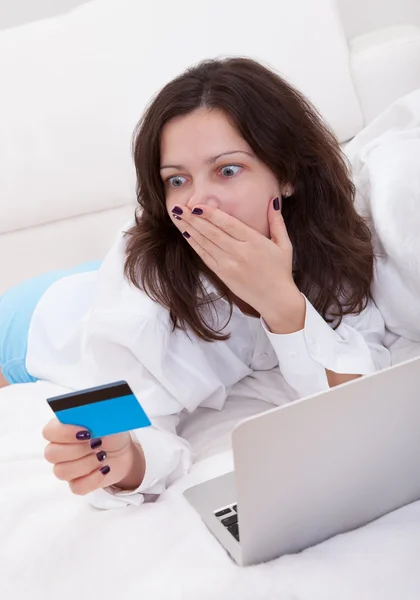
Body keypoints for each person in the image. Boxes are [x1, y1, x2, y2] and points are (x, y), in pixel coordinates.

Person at [0, 57, 390, 509]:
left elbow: (361, 395)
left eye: (227, 170)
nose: (196, 201)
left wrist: (281, 303)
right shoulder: (142, 288)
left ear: (287, 175)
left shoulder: (328, 243)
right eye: (177, 180)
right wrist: (125, 464)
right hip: (32, 326)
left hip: (100, 281)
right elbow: (109, 410)